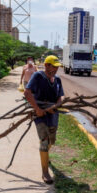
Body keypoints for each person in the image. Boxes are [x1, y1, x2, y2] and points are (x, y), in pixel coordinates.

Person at [24, 55, 64, 184]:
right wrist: (37, 109)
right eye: (54, 67)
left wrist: (56, 106)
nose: (56, 70)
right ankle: (45, 172)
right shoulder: (38, 76)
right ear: (46, 65)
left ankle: (46, 156)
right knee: (44, 140)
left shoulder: (57, 79)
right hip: (39, 113)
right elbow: (27, 93)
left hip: (53, 113)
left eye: (57, 67)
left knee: (52, 139)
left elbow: (61, 96)